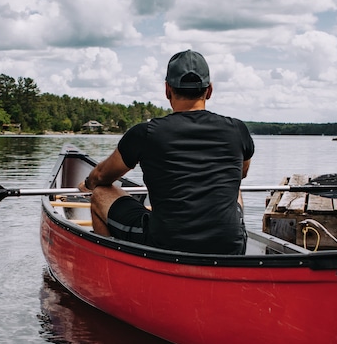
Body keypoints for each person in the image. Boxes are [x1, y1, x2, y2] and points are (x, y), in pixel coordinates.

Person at [81, 50, 254, 254]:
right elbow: (241, 173)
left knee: (100, 193)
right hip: (229, 245)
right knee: (235, 188)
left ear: (167, 90)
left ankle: (110, 266)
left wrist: (87, 184)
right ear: (209, 91)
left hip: (165, 244)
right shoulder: (237, 130)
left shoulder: (146, 133)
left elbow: (102, 175)